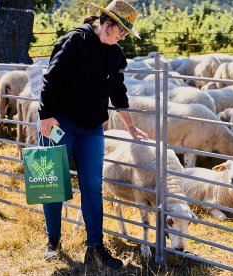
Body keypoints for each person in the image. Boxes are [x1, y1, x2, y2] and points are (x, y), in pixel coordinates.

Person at [38, 0, 148, 270]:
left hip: (92, 129)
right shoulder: (75, 41)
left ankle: (95, 248)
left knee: (92, 187)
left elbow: (118, 91)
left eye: (125, 33)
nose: (122, 37)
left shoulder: (114, 55)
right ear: (107, 23)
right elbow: (51, 78)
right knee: (52, 180)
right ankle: (53, 242)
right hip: (59, 122)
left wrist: (131, 126)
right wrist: (44, 116)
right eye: (121, 31)